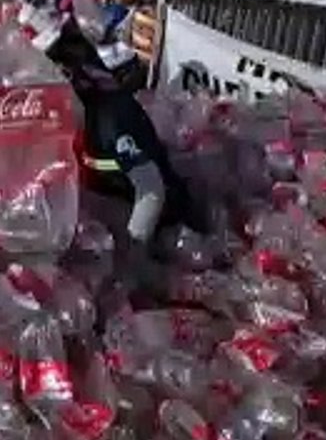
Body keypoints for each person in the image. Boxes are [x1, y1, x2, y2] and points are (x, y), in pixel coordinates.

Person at [45, 16, 208, 280]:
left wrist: (131, 257)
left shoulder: (110, 119)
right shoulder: (67, 116)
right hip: (106, 212)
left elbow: (151, 192)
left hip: (152, 223)